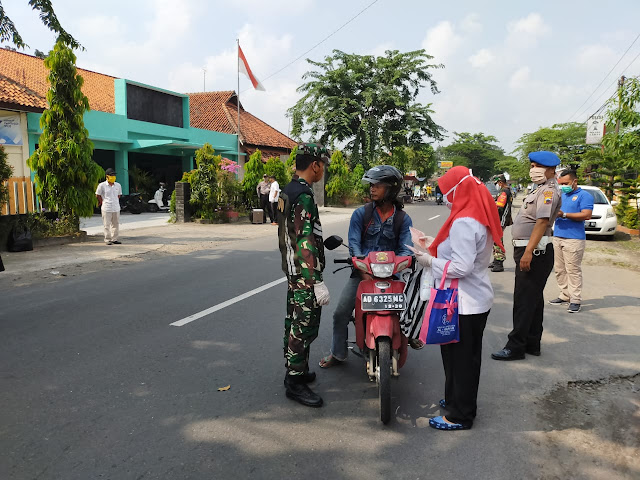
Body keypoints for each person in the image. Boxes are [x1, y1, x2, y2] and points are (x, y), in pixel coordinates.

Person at [409, 166, 504, 431]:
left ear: (456, 190)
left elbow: (461, 267)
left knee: (460, 359)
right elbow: (462, 254)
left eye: (446, 192)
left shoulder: (464, 223)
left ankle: (461, 414)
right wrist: (433, 245)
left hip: (464, 302)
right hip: (471, 299)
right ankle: (455, 399)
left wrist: (428, 260)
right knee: (457, 356)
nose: (445, 197)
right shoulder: (474, 216)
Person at [318, 165, 414, 368]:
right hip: (363, 274)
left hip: (392, 275)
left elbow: (406, 248)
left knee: (412, 306)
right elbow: (354, 245)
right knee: (340, 313)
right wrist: (363, 272)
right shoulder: (361, 215)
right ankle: (338, 353)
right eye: (371, 185)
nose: (372, 189)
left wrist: (404, 262)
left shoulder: (403, 220)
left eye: (377, 185)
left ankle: (413, 334)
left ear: (391, 189)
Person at [492, 151, 561, 361]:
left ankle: (515, 347)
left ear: (550, 169)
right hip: (532, 249)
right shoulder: (539, 190)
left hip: (534, 251)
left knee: (523, 300)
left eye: (536, 166)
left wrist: (528, 252)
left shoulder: (548, 191)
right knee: (533, 299)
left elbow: (542, 222)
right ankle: (532, 342)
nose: (533, 170)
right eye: (531, 165)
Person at [277, 143, 331, 408]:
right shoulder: (304, 196)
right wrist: (316, 280)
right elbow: (305, 240)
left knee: (294, 321)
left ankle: (296, 369)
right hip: (303, 273)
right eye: (324, 165)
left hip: (292, 269)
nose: (324, 171)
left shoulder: (288, 190)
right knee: (304, 325)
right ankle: (295, 382)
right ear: (315, 165)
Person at [548, 169, 593, 313]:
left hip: (574, 239)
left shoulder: (584, 196)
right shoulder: (561, 194)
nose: (563, 186)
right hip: (558, 235)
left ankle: (575, 299)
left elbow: (586, 215)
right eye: (561, 184)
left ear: (575, 181)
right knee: (559, 269)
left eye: (566, 183)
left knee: (573, 270)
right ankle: (565, 295)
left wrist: (565, 214)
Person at [489, 174, 513, 272]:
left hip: (500, 219)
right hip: (501, 219)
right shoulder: (505, 191)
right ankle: (496, 259)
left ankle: (499, 262)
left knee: (497, 240)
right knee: (495, 239)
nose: (496, 185)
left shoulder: (504, 192)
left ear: (500, 182)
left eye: (496, 183)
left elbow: (499, 207)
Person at [95, 168, 122, 245]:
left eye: (114, 175)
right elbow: (98, 195)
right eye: (111, 175)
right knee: (106, 224)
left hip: (116, 207)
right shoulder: (102, 185)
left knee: (115, 224)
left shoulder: (118, 185)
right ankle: (107, 239)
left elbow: (119, 195)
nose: (113, 177)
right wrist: (102, 201)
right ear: (107, 176)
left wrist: (115, 201)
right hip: (106, 207)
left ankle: (115, 239)